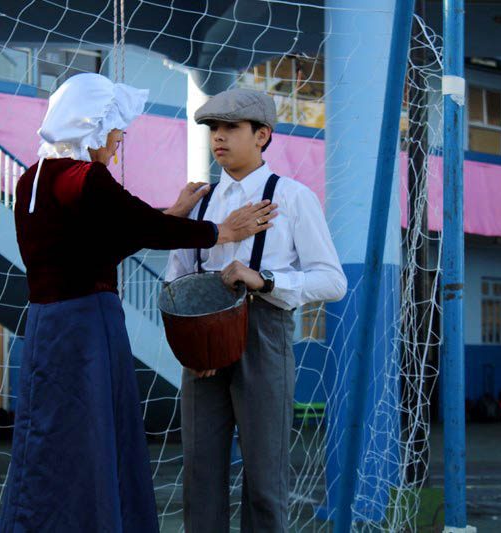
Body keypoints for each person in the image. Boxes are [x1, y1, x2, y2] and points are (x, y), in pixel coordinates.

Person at [0, 74, 277, 533]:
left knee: (48, 435)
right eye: (116, 129)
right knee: (94, 436)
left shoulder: (32, 179)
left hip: (45, 326)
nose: (119, 140)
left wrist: (170, 216)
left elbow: (96, 243)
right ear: (94, 124)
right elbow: (138, 225)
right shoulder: (86, 178)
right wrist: (221, 231)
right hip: (88, 325)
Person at [165, 88, 347, 533]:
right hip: (203, 347)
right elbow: (175, 280)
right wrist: (193, 348)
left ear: (262, 135)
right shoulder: (200, 202)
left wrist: (264, 279)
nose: (219, 138)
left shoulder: (294, 197)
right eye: (214, 129)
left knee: (265, 478)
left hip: (264, 335)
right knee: (200, 474)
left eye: (231, 128)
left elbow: (333, 281)